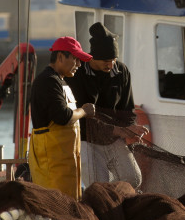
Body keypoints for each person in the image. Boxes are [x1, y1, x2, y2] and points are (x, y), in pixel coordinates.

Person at [66, 22, 146, 190]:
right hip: (86, 140)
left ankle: (117, 203)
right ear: (91, 57)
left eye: (113, 60)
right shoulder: (77, 74)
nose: (110, 65)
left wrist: (131, 128)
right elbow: (78, 117)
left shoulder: (122, 71)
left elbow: (128, 110)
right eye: (105, 61)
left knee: (133, 178)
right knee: (98, 186)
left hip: (114, 138)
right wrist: (117, 130)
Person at [28, 36, 96, 200]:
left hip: (64, 162)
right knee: (55, 204)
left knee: (69, 202)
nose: (79, 65)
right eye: (75, 59)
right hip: (52, 163)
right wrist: (84, 111)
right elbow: (63, 116)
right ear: (60, 57)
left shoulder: (60, 81)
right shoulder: (48, 81)